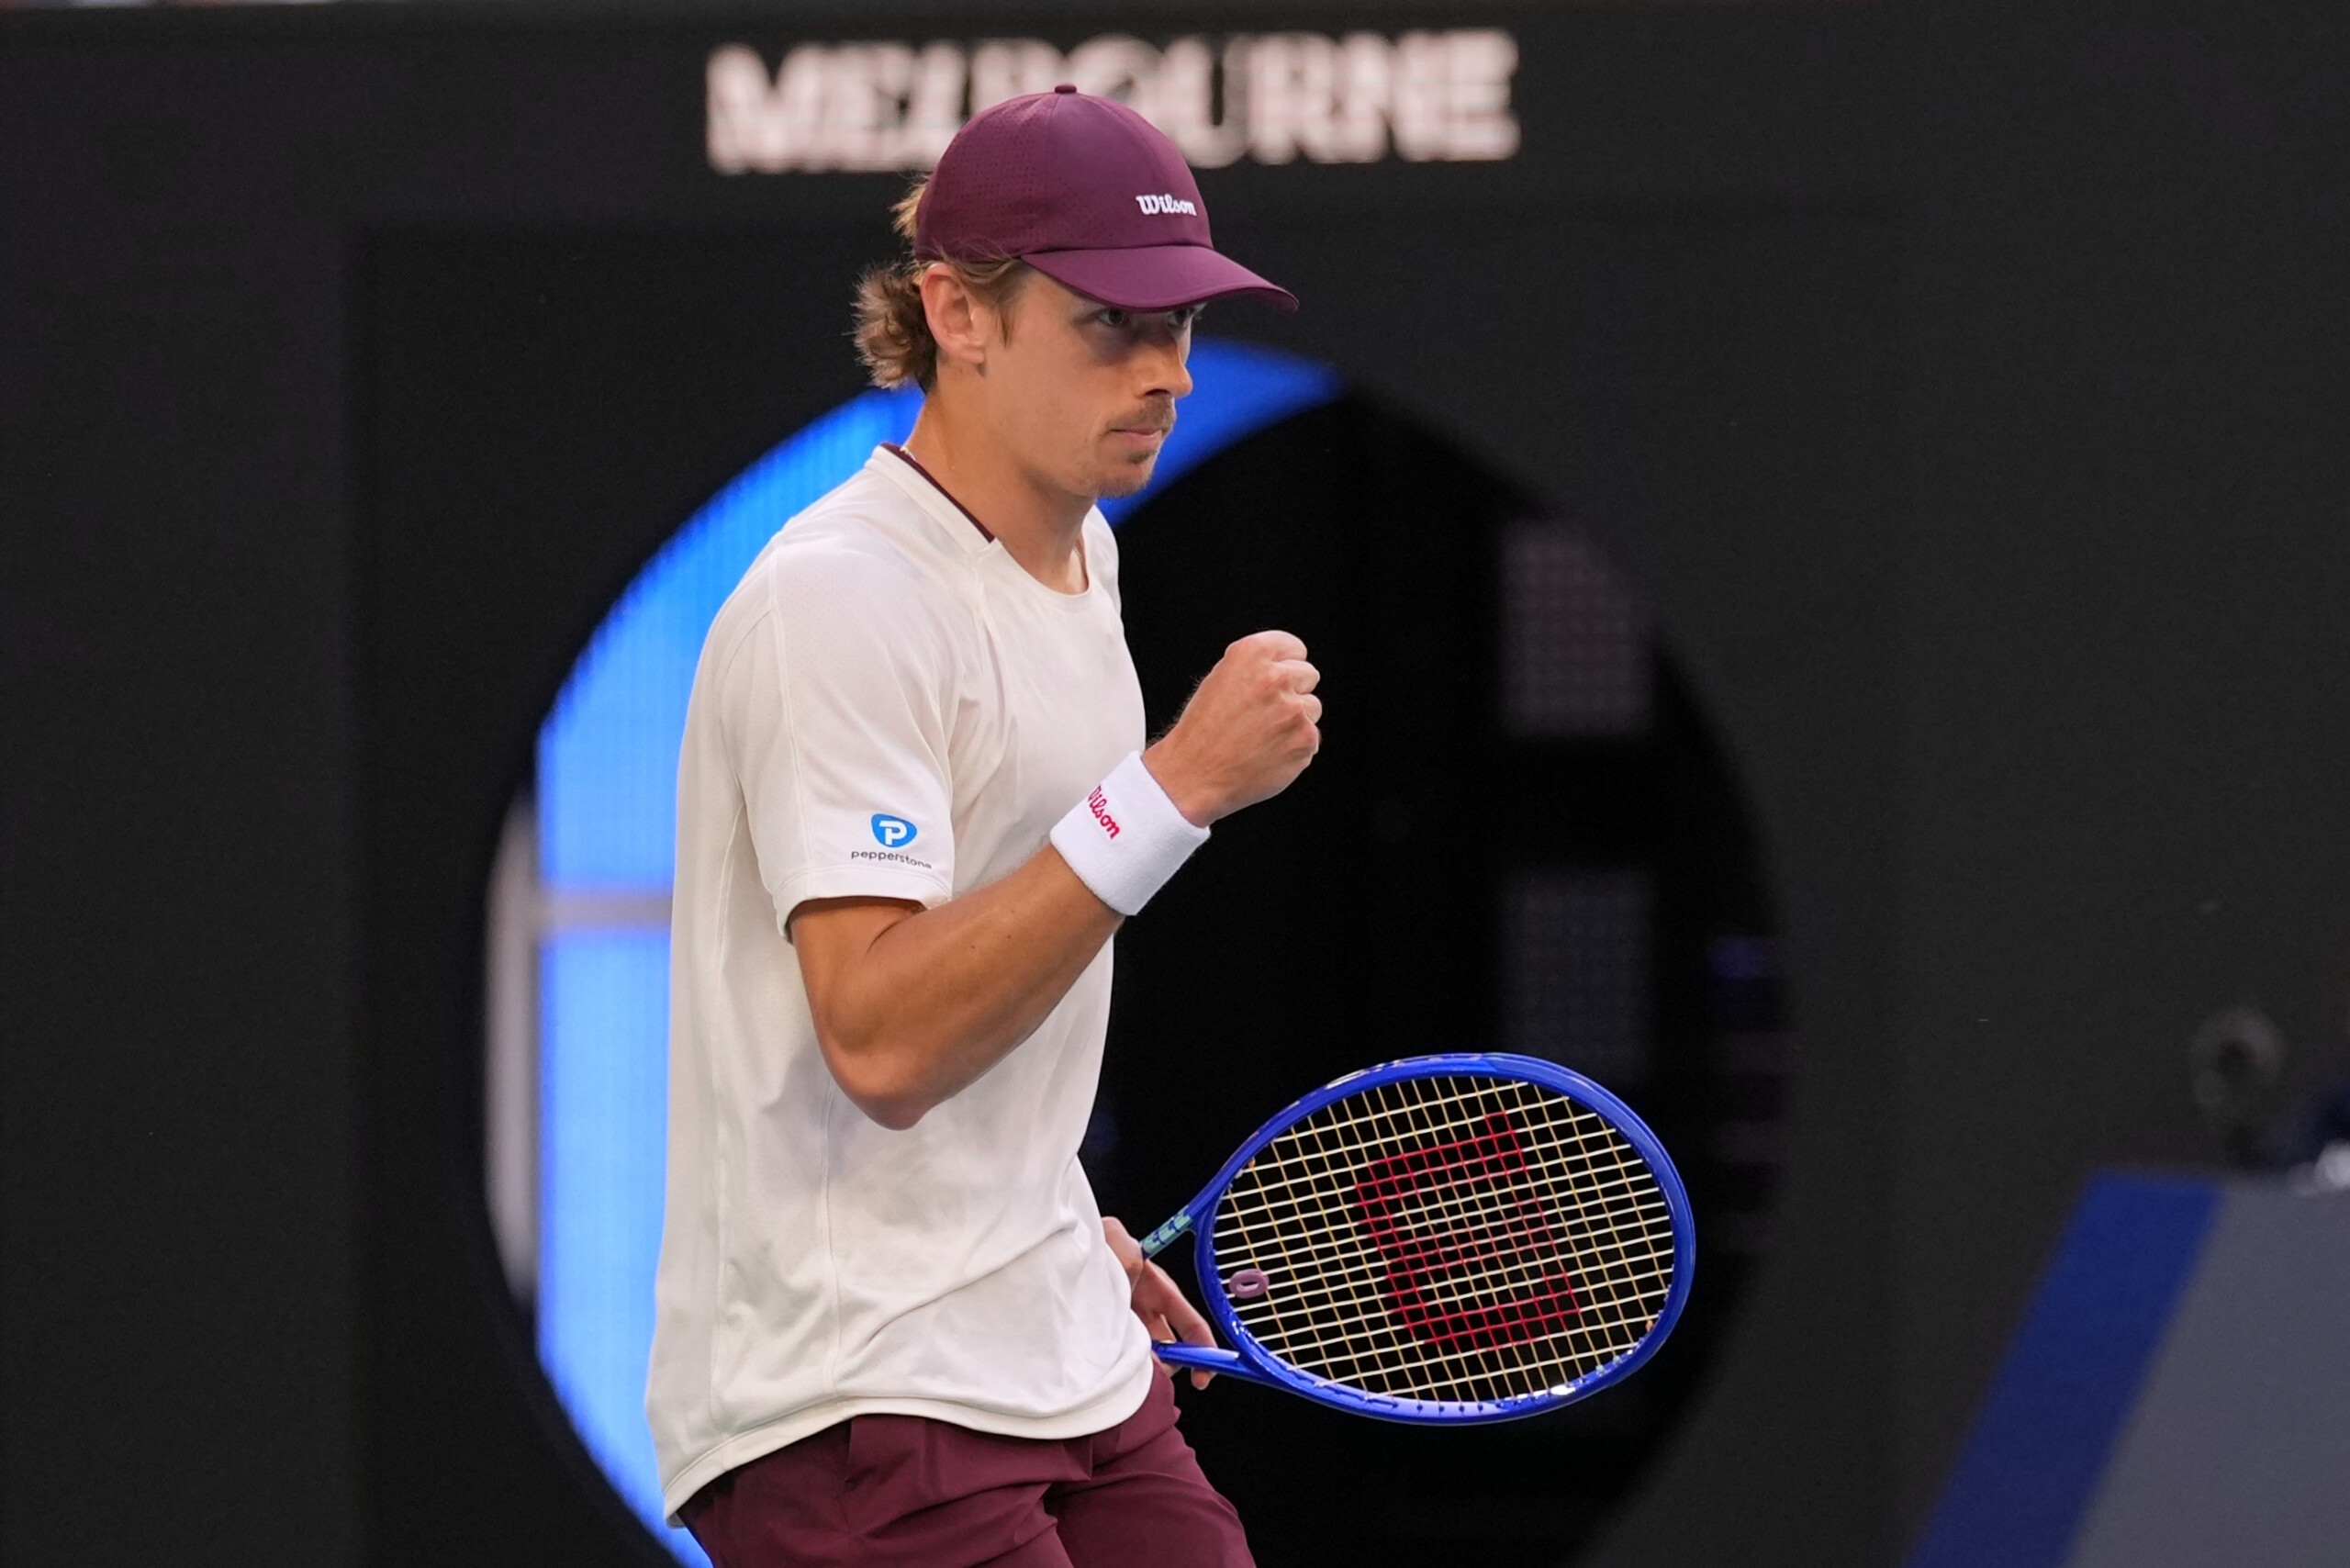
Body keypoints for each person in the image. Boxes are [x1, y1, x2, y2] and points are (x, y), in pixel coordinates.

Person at [644, 85, 1318, 1568]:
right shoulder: (842, 598)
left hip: (1051, 1330)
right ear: (958, 313)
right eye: (1110, 324)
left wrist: (1047, 1213)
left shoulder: (1085, 559)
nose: (1167, 371)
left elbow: (1001, 955)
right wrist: (1174, 786)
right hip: (853, 1388)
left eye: (1179, 324)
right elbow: (883, 1042)